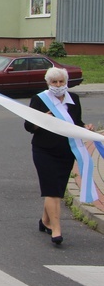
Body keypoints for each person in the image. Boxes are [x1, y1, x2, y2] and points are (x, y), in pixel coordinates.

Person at [24, 67, 94, 246]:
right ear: (48, 83)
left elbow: (76, 123)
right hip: (44, 151)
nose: (58, 85)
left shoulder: (74, 100)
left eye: (61, 82)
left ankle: (45, 221)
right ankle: (56, 230)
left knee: (57, 190)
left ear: (66, 82)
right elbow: (28, 127)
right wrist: (41, 120)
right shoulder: (39, 99)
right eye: (54, 82)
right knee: (51, 189)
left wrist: (86, 128)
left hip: (66, 151)